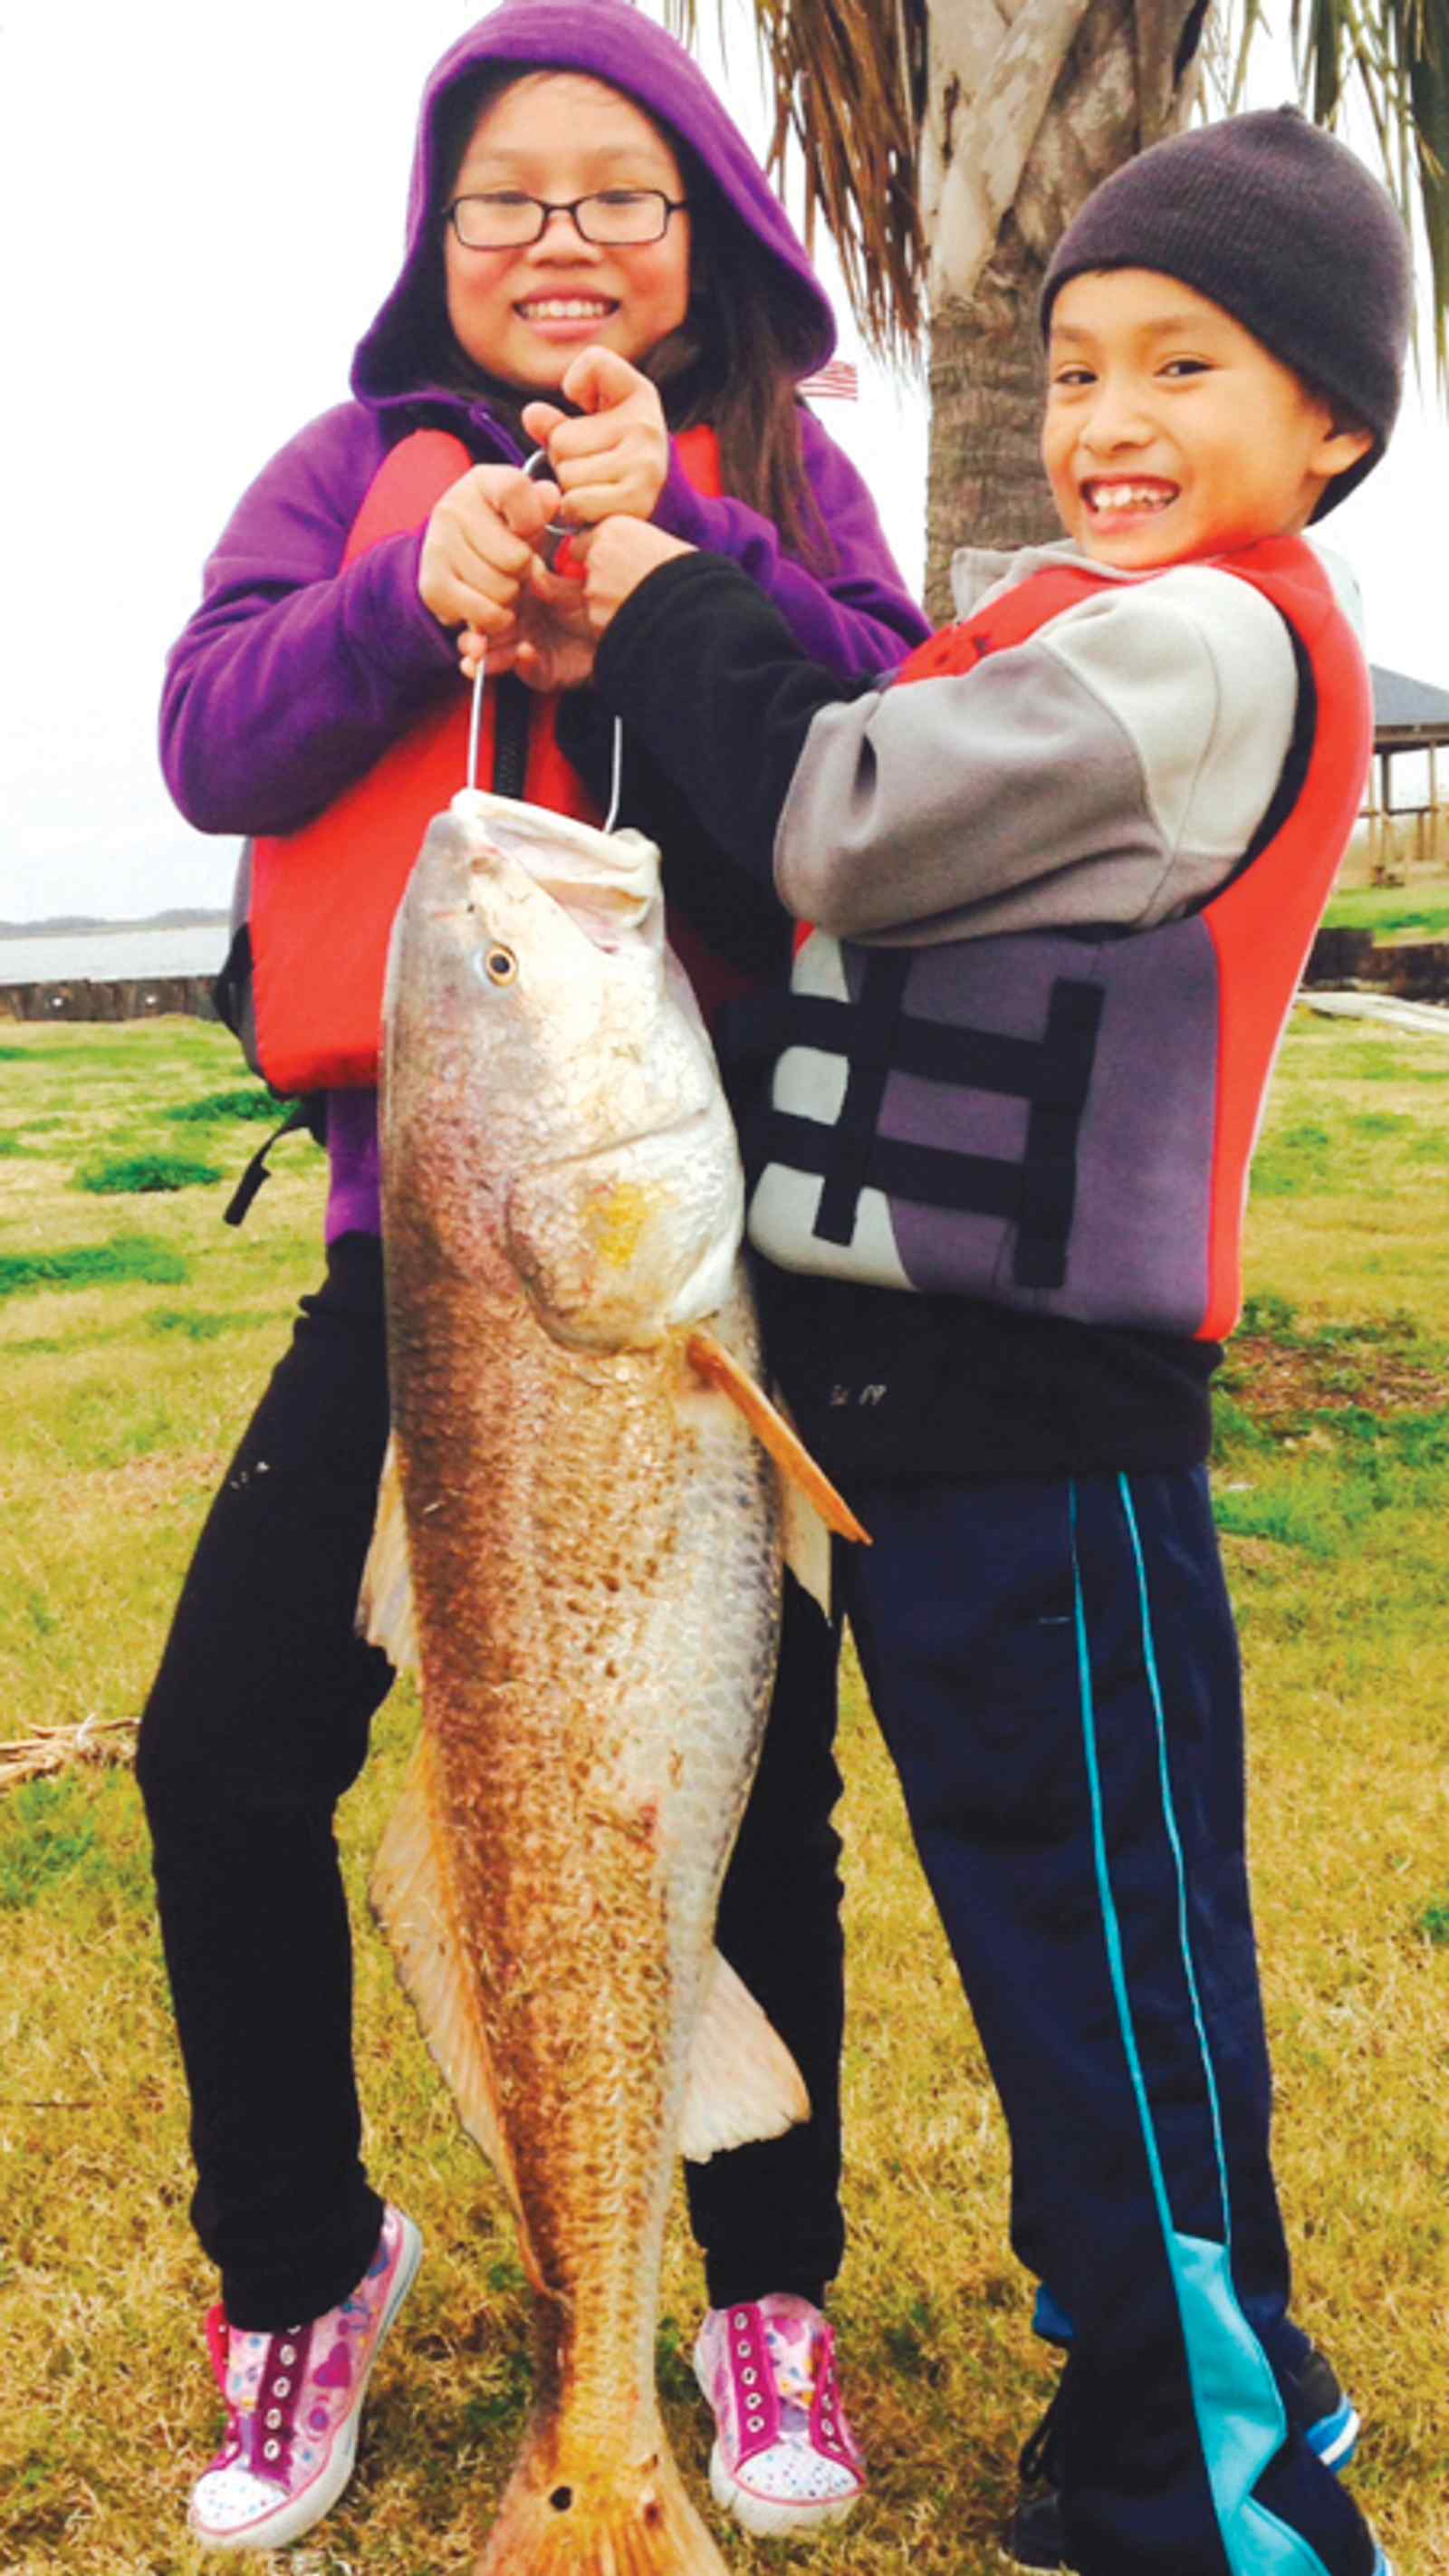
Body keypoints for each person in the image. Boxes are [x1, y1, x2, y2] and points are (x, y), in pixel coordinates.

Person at [569, 106, 1411, 2576]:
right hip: (924, 1426)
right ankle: (1180, 2370)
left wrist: (655, 592)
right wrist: (677, 541)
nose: (1110, 419)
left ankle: (1224, 2497)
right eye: (1073, 369)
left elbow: (838, 798)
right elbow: (879, 696)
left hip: (1049, 1433)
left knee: (1108, 1959)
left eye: (1186, 364)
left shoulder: (1216, 641)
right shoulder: (1075, 632)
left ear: (1332, 425)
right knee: (1065, 1949)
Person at [136, 1, 928, 2553]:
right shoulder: (343, 471)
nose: (563, 236)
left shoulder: (785, 478)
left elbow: (892, 740)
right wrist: (412, 597)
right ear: (437, 237)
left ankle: (760, 2282)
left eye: (620, 193)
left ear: (708, 237)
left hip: (706, 1246)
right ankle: (303, 2265)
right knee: (224, 1744)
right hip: (431, 1250)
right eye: (507, 196)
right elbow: (213, 736)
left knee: (753, 1780)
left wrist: (680, 561)